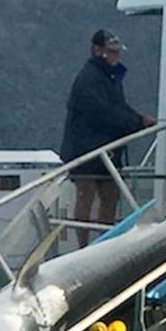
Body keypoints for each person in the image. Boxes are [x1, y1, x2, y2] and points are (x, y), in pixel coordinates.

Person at [60, 29, 154, 248]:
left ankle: (105, 243)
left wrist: (138, 119)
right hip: (84, 148)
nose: (115, 57)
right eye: (111, 52)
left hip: (107, 148)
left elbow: (118, 108)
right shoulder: (88, 79)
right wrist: (136, 123)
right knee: (86, 194)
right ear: (97, 50)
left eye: (117, 53)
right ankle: (82, 247)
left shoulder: (111, 78)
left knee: (111, 195)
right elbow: (102, 113)